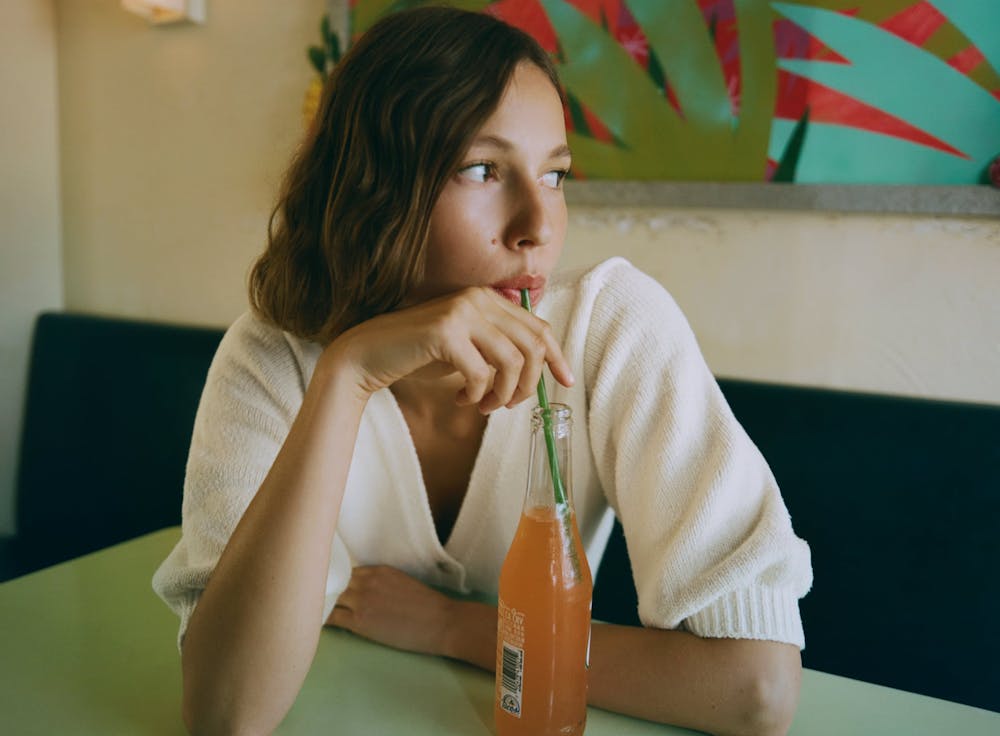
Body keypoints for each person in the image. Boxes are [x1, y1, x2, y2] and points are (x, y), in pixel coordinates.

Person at [153, 6, 812, 735]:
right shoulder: (274, 356)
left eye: (555, 174)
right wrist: (347, 375)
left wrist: (448, 626)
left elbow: (756, 689)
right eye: (482, 169)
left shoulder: (611, 328)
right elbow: (226, 713)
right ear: (374, 186)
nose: (539, 225)